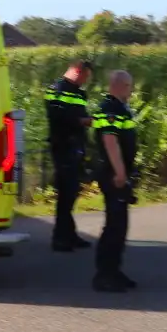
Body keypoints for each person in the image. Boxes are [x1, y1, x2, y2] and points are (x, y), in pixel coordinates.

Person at [91, 70, 139, 293]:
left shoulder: (119, 108)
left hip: (118, 173)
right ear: (121, 86)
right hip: (112, 174)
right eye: (129, 86)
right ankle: (104, 275)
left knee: (119, 226)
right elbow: (110, 141)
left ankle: (115, 271)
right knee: (114, 225)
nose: (131, 91)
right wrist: (119, 172)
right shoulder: (110, 109)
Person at [45, 59, 94, 252]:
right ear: (76, 71)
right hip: (63, 147)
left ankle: (69, 234)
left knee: (72, 192)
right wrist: (81, 121)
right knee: (66, 192)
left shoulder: (79, 93)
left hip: (76, 147)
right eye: (84, 76)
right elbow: (56, 116)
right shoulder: (56, 89)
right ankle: (60, 238)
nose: (85, 81)